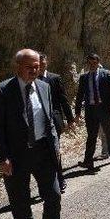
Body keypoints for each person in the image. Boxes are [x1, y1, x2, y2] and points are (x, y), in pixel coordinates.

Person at [0, 49, 69, 219]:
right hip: (16, 156)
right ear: (18, 67)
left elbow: (49, 118)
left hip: (43, 151)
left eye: (37, 66)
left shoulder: (44, 87)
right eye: (30, 66)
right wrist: (2, 157)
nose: (35, 70)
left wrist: (55, 144)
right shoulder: (3, 91)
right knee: (20, 201)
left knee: (53, 194)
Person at [74, 53, 110, 170]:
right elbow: (80, 95)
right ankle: (88, 161)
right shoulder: (84, 77)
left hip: (104, 109)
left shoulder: (106, 74)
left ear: (98, 63)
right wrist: (78, 112)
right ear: (87, 64)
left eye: (94, 63)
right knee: (91, 136)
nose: (92, 65)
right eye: (90, 63)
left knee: (109, 133)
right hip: (90, 111)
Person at [38, 54, 74, 192]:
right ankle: (48, 183)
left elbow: (63, 99)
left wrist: (70, 119)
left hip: (54, 119)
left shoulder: (54, 78)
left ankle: (60, 178)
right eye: (38, 62)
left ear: (47, 62)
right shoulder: (31, 80)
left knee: (54, 150)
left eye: (43, 62)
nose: (41, 65)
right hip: (37, 122)